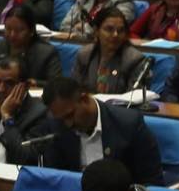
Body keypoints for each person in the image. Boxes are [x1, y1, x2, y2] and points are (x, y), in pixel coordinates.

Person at [28, 77, 163, 184]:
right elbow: (56, 177)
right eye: (62, 119)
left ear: (84, 99)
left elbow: (151, 181)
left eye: (70, 115)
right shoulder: (57, 125)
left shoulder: (129, 124)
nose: (68, 124)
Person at [0, 5, 60, 83]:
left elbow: (55, 84)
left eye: (19, 30)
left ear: (31, 31)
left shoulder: (46, 53)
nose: (12, 35)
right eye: (8, 29)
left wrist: (35, 83)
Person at [74, 9, 151, 95]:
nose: (115, 35)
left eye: (120, 30)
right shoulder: (85, 55)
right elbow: (75, 91)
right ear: (96, 31)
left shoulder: (134, 60)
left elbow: (134, 97)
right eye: (109, 29)